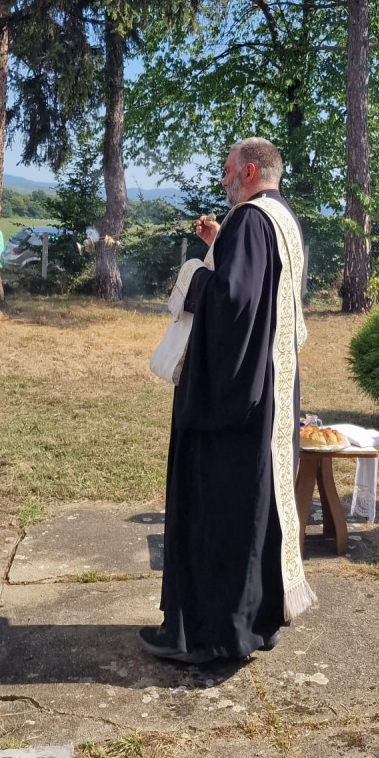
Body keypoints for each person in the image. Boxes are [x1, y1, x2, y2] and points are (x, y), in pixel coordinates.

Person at [139, 138, 315, 664]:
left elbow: (233, 301)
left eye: (227, 171)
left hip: (234, 400)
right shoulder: (281, 220)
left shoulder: (250, 221)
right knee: (258, 508)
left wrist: (194, 279)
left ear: (250, 171)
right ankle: (257, 622)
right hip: (271, 391)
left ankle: (211, 635)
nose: (222, 181)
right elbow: (259, 286)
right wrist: (223, 242)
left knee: (222, 507)